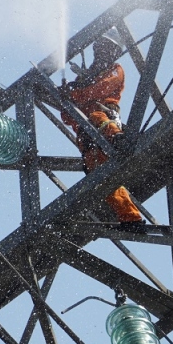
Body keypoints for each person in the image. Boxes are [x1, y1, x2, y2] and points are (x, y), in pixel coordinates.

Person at [60, 29, 145, 225]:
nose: (101, 51)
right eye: (100, 46)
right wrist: (68, 97)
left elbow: (98, 90)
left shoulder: (115, 70)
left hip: (105, 123)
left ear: (114, 52)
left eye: (107, 48)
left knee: (97, 117)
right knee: (102, 176)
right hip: (87, 137)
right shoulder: (83, 79)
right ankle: (130, 219)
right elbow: (67, 116)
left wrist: (73, 94)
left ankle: (118, 138)